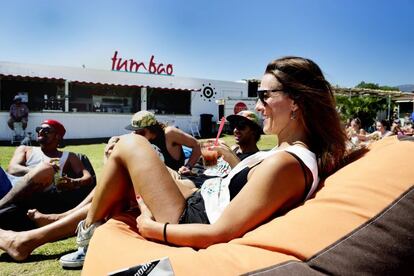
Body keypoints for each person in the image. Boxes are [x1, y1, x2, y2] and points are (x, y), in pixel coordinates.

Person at [57, 56, 346, 268]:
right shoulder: (292, 153)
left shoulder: (287, 163)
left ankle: (84, 239)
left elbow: (221, 233)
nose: (258, 106)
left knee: (131, 144)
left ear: (295, 101)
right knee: (127, 162)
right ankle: (45, 232)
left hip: (194, 218)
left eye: (264, 96)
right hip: (202, 199)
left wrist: (152, 229)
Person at [0, 113, 198, 262]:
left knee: (127, 163)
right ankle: (50, 228)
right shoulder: (26, 150)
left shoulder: (168, 133)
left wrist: (188, 166)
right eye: (135, 131)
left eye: (141, 132)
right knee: (125, 168)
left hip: (181, 195)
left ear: (152, 129)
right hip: (177, 192)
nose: (137, 134)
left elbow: (196, 146)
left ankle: (46, 231)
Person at [0, 119, 93, 231]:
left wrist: (73, 182)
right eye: (39, 129)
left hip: (35, 191)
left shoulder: (69, 156)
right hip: (9, 183)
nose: (41, 131)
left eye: (47, 130)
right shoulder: (25, 149)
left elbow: (87, 177)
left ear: (58, 136)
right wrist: (37, 171)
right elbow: (12, 169)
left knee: (47, 168)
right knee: (46, 168)